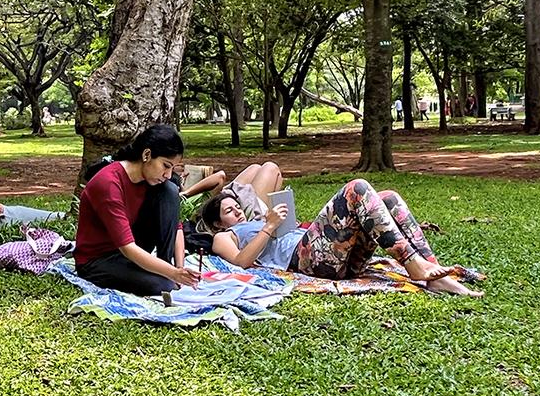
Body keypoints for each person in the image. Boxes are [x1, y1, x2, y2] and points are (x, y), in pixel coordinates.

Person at [201, 175, 482, 297]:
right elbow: (240, 263)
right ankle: (415, 266)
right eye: (229, 211)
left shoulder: (260, 219)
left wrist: (284, 224)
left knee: (389, 199)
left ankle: (433, 272)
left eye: (238, 207)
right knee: (356, 188)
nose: (238, 213)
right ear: (217, 223)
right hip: (304, 261)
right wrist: (268, 228)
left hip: (331, 254)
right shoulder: (224, 237)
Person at [73, 124, 199, 297]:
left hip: (131, 249)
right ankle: (164, 273)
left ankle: (164, 265)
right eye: (165, 166)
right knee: (163, 285)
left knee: (170, 191)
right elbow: (127, 248)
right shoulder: (109, 183)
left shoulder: (152, 182)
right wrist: (172, 274)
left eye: (172, 168)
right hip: (98, 260)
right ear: (147, 155)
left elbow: (174, 226)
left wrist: (179, 268)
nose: (168, 174)